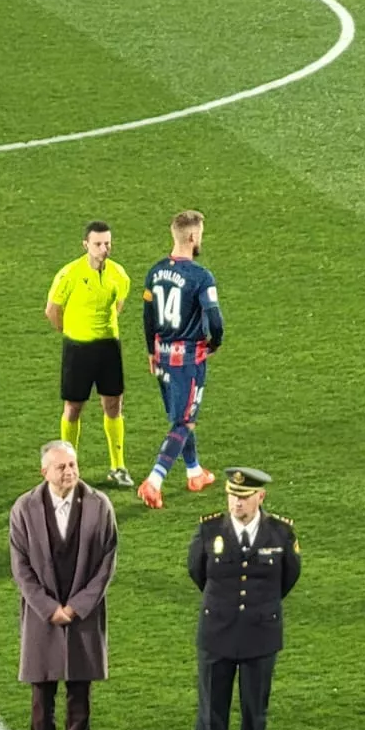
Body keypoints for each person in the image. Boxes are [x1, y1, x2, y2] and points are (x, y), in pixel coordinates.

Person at [8, 441, 119, 730]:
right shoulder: (24, 509)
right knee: (41, 694)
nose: (69, 472)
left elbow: (106, 564)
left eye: (72, 465)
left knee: (79, 691)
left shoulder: (100, 506)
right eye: (61, 467)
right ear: (45, 472)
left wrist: (77, 606)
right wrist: (48, 608)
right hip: (43, 617)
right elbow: (20, 567)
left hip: (82, 614)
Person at [188, 467, 299, 730]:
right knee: (212, 707)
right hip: (217, 632)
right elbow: (198, 571)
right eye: (232, 496)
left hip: (260, 633)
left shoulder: (281, 533)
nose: (236, 502)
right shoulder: (209, 531)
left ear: (260, 497)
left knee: (255, 707)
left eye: (243, 496)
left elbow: (289, 577)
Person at [138, 211, 225, 509]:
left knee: (180, 417)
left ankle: (194, 472)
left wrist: (151, 350)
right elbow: (214, 316)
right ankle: (154, 480)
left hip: (162, 355)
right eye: (199, 234)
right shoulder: (201, 276)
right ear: (191, 237)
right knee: (184, 421)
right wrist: (217, 341)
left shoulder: (155, 271)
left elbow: (148, 315)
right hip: (187, 359)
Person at [45, 222, 134, 488]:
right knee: (73, 407)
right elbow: (52, 310)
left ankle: (118, 466)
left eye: (107, 243)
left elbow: (118, 306)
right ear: (86, 245)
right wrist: (72, 331)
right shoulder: (69, 274)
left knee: (113, 404)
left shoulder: (119, 274)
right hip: (78, 349)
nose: (103, 248)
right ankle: (65, 466)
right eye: (98, 244)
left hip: (108, 347)